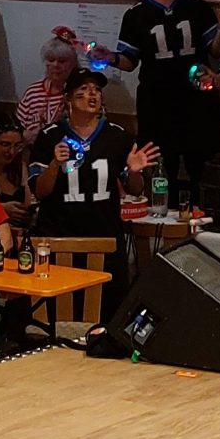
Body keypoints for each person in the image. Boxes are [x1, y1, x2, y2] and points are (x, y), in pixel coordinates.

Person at [105, 0, 220, 186]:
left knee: (200, 165)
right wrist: (108, 58)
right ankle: (163, 208)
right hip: (157, 102)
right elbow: (129, 62)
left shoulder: (197, 9)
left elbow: (216, 51)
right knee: (161, 167)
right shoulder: (136, 14)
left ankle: (198, 208)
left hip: (196, 100)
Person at [27, 72, 158, 291]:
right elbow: (40, 192)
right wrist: (55, 164)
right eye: (84, 89)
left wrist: (135, 172)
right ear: (68, 98)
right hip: (60, 238)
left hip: (105, 238)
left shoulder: (117, 136)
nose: (92, 94)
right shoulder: (50, 136)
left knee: (109, 305)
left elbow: (135, 190)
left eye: (96, 89)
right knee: (60, 306)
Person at [15, 28, 82, 140]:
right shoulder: (33, 92)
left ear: (73, 64)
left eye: (62, 61)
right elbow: (16, 130)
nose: (55, 65)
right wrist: (28, 135)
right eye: (51, 60)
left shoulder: (80, 94)